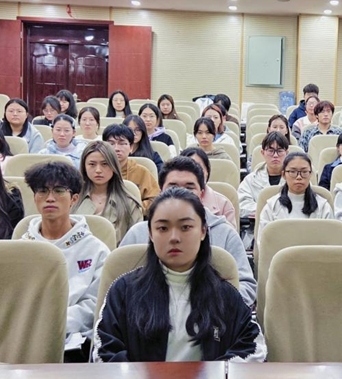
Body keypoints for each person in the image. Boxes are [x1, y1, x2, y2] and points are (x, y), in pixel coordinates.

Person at [93, 188, 266, 362]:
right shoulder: (124, 291)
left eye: (185, 227)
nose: (174, 237)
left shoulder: (225, 295)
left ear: (203, 231)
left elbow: (253, 346)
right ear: (150, 234)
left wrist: (216, 371)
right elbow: (104, 351)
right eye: (163, 228)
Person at [120, 157, 256, 306]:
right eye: (173, 186)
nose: (181, 193)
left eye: (189, 187)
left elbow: (247, 286)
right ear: (160, 192)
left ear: (202, 194)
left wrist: (208, 304)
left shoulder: (225, 233)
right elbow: (118, 286)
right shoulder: (137, 233)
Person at [21, 161, 109, 348]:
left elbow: (95, 304)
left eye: (59, 191)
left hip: (76, 339)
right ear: (35, 197)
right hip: (24, 336)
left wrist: (53, 323)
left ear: (74, 199)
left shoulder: (96, 250)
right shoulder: (20, 248)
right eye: (42, 191)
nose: (50, 198)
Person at [73, 141, 144, 242]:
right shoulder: (72, 199)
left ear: (113, 166)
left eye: (105, 164)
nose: (98, 170)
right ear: (84, 167)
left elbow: (137, 241)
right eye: (92, 164)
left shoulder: (129, 202)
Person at [258, 152, 333, 233]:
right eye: (293, 172)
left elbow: (331, 237)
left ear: (310, 174)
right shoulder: (271, 206)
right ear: (283, 174)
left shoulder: (323, 206)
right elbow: (263, 239)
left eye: (304, 172)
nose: (299, 177)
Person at [102, 124, 161, 214]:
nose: (116, 148)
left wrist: (133, 210)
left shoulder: (142, 172)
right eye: (111, 144)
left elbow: (155, 200)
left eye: (122, 143)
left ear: (131, 147)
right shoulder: (97, 171)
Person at [180, 148, 237, 227]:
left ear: (207, 172)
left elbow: (230, 234)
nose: (193, 173)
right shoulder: (166, 202)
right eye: (188, 169)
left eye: (198, 168)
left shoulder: (224, 204)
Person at [239, 132, 287, 220]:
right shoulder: (251, 179)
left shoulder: (297, 179)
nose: (275, 155)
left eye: (280, 151)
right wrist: (269, 212)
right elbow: (242, 205)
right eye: (271, 151)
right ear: (262, 152)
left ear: (287, 152)